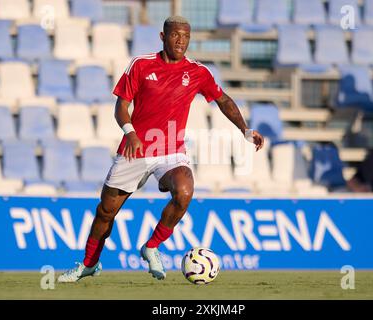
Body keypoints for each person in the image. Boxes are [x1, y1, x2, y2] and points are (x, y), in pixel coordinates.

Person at [57, 16, 264, 282]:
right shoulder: (141, 65)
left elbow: (222, 100)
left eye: (186, 36)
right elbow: (121, 106)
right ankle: (89, 263)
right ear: (163, 36)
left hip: (170, 151)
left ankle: (151, 246)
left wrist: (245, 130)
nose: (181, 41)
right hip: (136, 149)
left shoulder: (198, 72)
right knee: (106, 212)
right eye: (176, 35)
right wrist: (130, 133)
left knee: (184, 190)